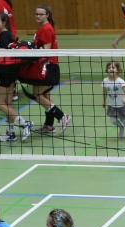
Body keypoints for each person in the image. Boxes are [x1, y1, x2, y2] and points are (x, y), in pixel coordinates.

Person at [0, 12, 33, 143]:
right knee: (8, 104)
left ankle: (24, 123)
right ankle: (11, 133)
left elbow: (0, 57)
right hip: (11, 72)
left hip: (5, 73)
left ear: (4, 23)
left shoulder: (4, 37)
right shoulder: (7, 35)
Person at [28, 5, 71, 135]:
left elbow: (46, 50)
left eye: (41, 14)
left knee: (36, 94)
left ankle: (62, 116)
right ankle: (49, 125)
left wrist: (31, 49)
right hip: (48, 66)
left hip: (47, 67)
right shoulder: (43, 28)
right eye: (36, 14)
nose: (38, 16)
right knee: (46, 95)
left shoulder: (46, 29)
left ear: (47, 15)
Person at [101, 61, 125, 138]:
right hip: (111, 105)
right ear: (107, 70)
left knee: (123, 120)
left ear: (117, 70)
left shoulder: (120, 81)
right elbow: (104, 92)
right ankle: (121, 127)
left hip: (121, 105)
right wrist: (104, 101)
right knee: (113, 120)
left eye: (113, 67)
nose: (111, 69)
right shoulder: (105, 81)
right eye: (109, 68)